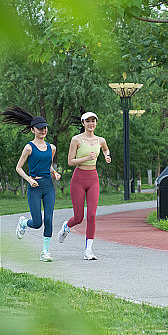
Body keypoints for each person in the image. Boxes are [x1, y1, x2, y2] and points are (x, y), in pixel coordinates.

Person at [1, 106, 61, 262]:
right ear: (33, 130)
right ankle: (23, 223)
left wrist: (54, 173)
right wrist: (29, 179)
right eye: (40, 128)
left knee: (48, 219)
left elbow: (48, 165)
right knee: (37, 223)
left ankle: (45, 252)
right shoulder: (29, 148)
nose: (43, 131)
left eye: (45, 128)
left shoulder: (51, 148)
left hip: (48, 187)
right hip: (34, 187)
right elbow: (18, 168)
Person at [58, 111, 111, 260]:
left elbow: (106, 149)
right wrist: (86, 158)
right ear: (83, 124)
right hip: (79, 179)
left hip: (93, 178)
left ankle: (88, 250)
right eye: (88, 121)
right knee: (79, 217)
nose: (91, 124)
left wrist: (107, 155)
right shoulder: (76, 140)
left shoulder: (101, 140)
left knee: (92, 215)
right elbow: (70, 162)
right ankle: (66, 227)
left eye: (93, 121)